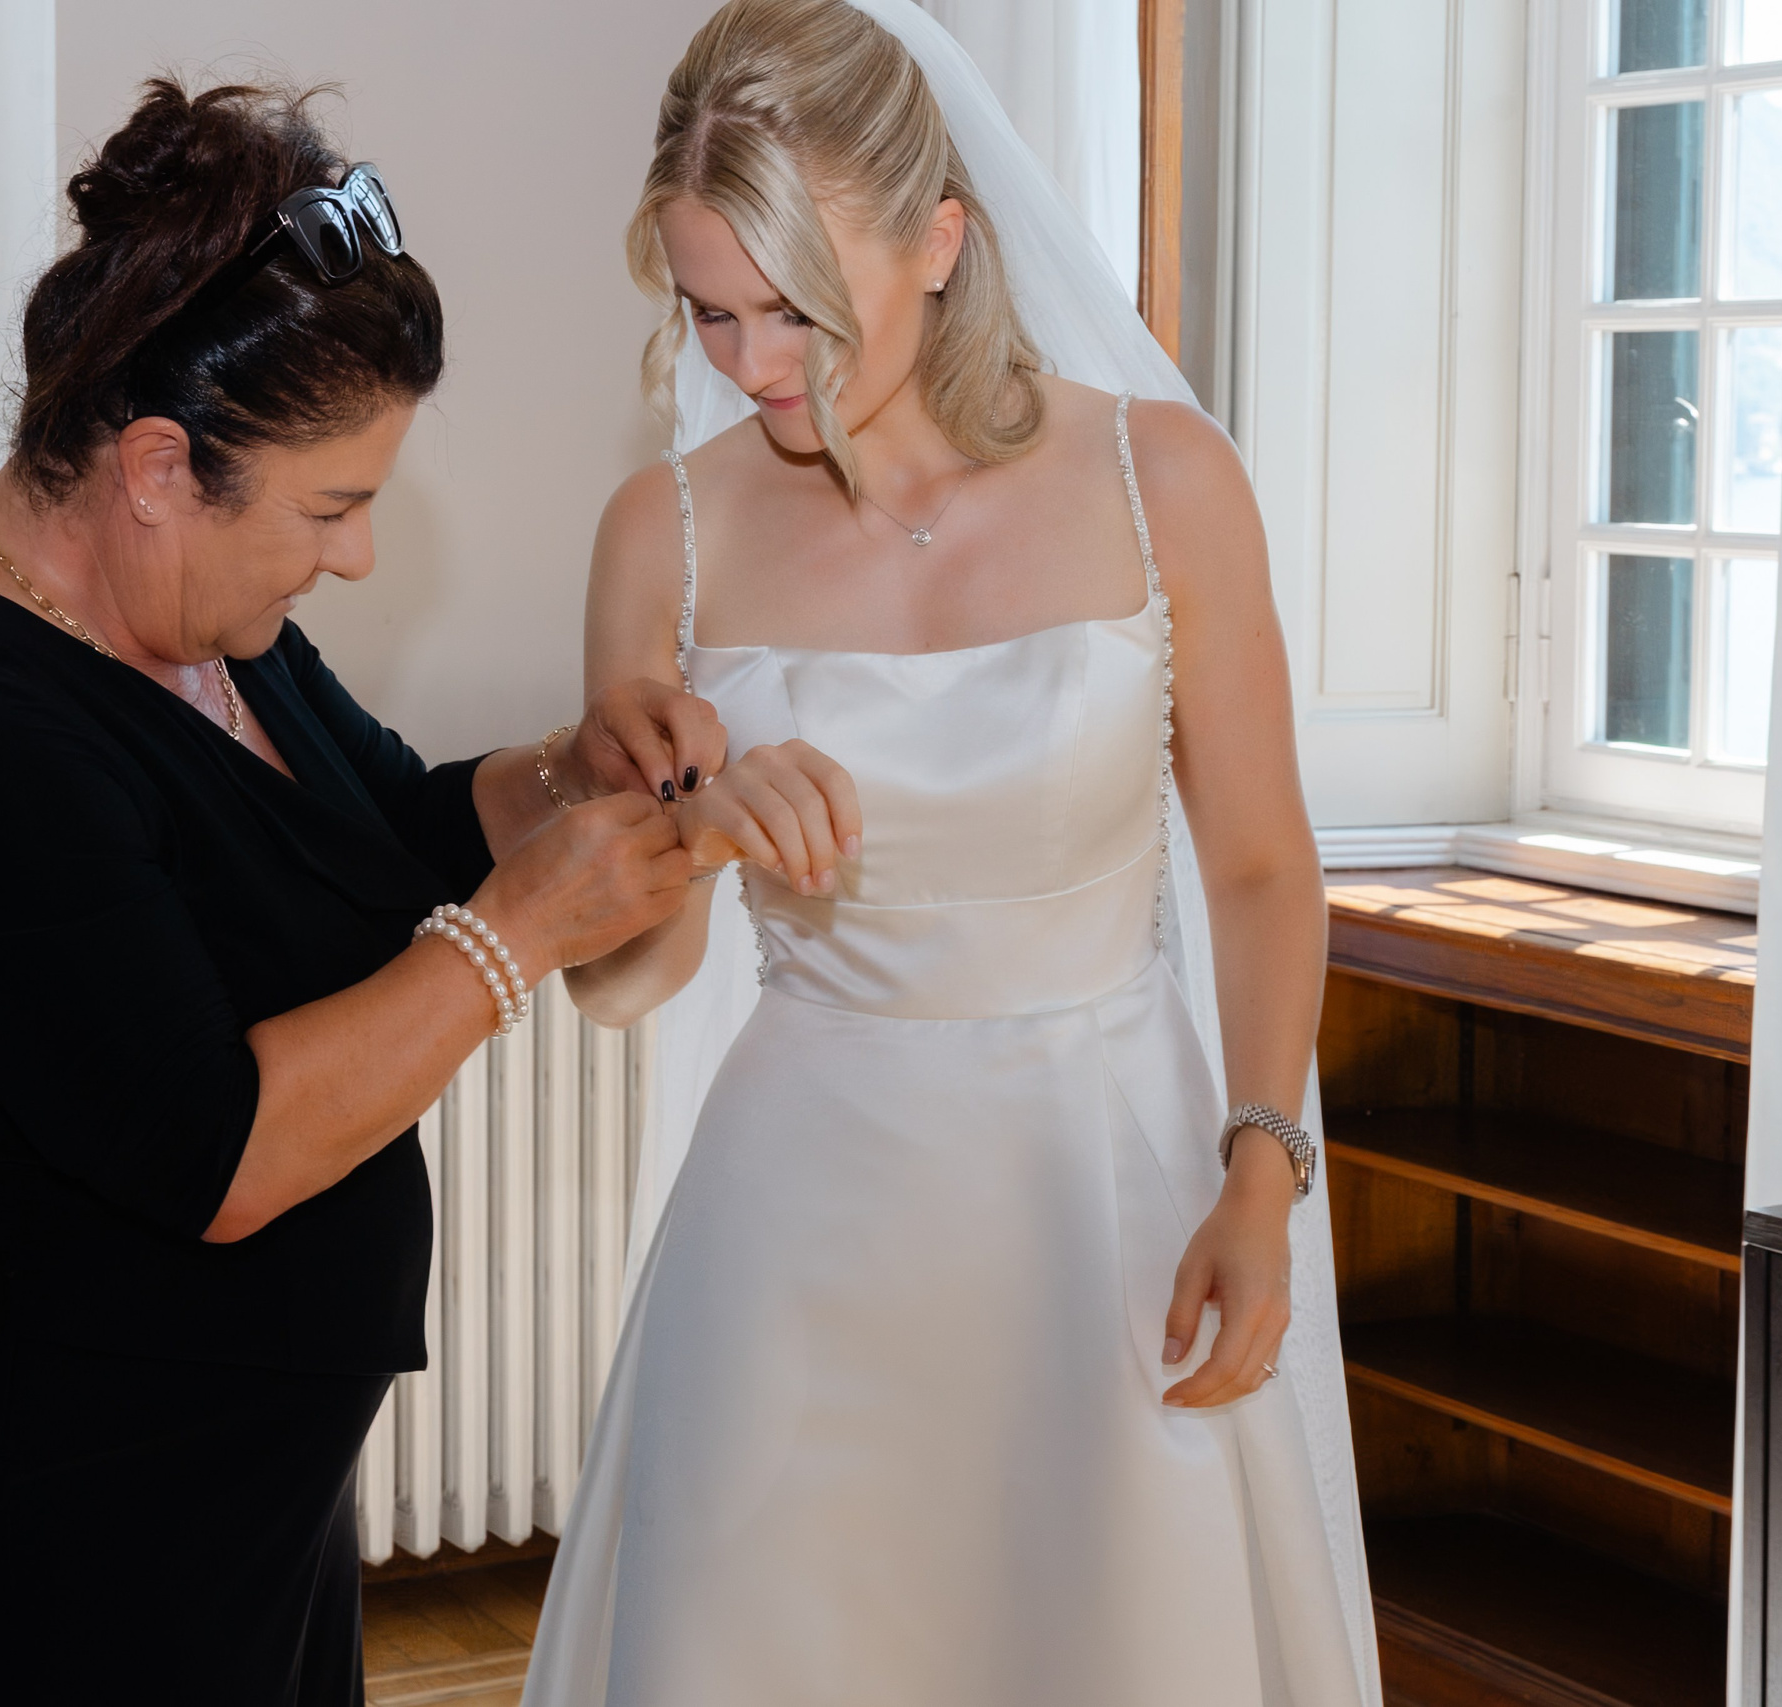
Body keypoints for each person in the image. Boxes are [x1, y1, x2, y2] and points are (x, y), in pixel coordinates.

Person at [0, 80, 706, 1707]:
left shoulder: (209, 626)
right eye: (332, 507)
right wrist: (525, 932)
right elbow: (219, 1148)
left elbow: (394, 826)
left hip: (239, 1477)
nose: (352, 557)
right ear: (154, 465)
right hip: (53, 1515)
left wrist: (573, 766)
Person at [521, 3, 1377, 1702]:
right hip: (796, 1227)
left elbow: (1267, 872)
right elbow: (624, 988)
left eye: (798, 313)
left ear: (940, 242)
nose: (755, 366)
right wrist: (683, 841)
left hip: (1108, 1198)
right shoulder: (662, 534)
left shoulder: (1165, 482)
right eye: (711, 315)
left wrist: (1264, 1180)